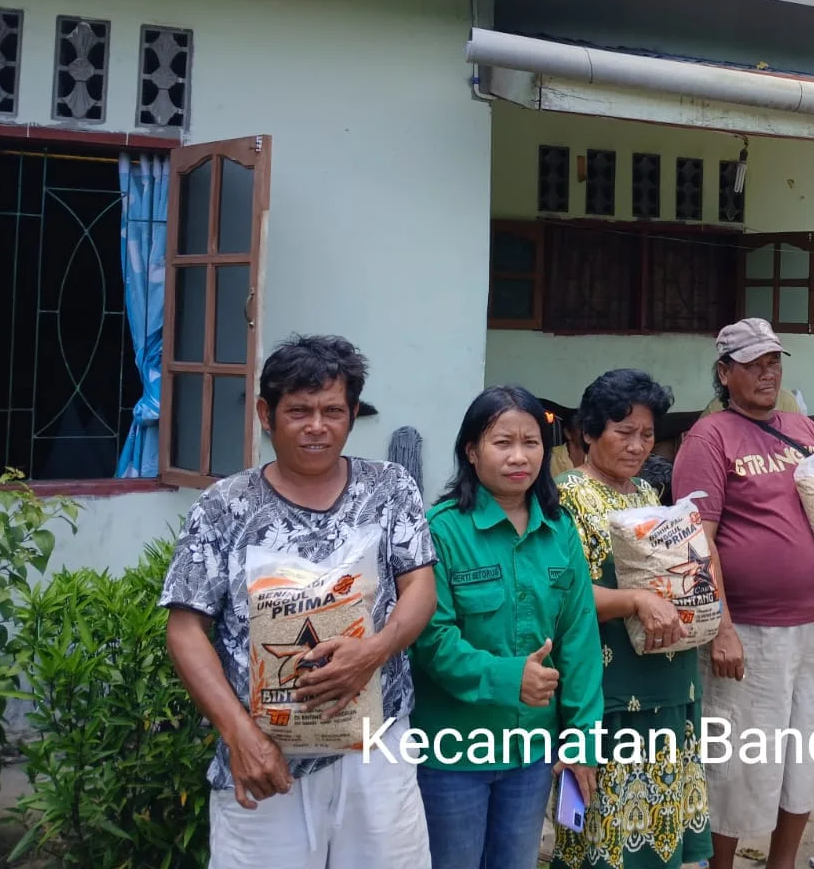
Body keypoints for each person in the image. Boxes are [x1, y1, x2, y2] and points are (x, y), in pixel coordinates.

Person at [160, 335, 436, 868]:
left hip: (376, 747)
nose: (317, 426)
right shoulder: (224, 506)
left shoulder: (389, 488)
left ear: (353, 414)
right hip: (266, 756)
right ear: (267, 414)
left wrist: (372, 653)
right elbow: (185, 629)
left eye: (333, 410)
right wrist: (238, 735)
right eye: (299, 411)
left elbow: (420, 588)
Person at [673, 319, 814, 869]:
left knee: (807, 754)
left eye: (773, 362)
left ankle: (781, 863)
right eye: (752, 364)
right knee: (742, 761)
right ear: (725, 373)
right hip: (748, 629)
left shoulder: (803, 429)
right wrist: (719, 628)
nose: (767, 373)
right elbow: (698, 541)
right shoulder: (709, 437)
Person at [411, 385, 604, 869]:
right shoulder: (440, 530)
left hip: (531, 754)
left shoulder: (560, 530)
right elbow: (431, 639)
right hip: (453, 752)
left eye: (532, 442)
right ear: (472, 451)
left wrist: (581, 739)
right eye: (502, 442)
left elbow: (580, 639)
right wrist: (508, 677)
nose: (519, 456)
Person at [553, 369, 713, 869]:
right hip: (607, 690)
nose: (638, 445)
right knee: (607, 838)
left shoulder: (647, 495)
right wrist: (637, 601)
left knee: (660, 834)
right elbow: (561, 596)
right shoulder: (565, 498)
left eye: (646, 434)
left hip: (668, 683)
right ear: (588, 432)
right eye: (624, 433)